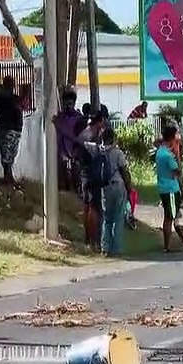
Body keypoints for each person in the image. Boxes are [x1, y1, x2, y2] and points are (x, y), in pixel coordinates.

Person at [92, 126, 133, 256]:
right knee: (118, 218)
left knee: (107, 218)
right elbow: (124, 171)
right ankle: (116, 248)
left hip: (105, 187)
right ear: (113, 138)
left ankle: (105, 248)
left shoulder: (98, 151)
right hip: (118, 186)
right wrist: (129, 188)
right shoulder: (118, 153)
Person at [154, 124, 183, 253]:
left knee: (170, 216)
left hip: (163, 188)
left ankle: (179, 244)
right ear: (171, 137)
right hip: (171, 189)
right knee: (173, 217)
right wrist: (177, 156)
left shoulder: (160, 151)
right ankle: (179, 245)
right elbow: (177, 171)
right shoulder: (168, 155)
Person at [53, 89, 87, 192]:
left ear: (74, 103)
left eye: (70, 104)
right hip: (60, 154)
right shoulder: (60, 117)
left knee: (75, 177)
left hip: (74, 153)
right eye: (66, 104)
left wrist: (60, 127)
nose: (68, 106)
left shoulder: (79, 119)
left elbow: (79, 138)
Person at [0, 76, 24, 187]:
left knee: (7, 155)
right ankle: (8, 178)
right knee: (9, 155)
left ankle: (8, 177)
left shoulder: (2, 98)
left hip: (7, 128)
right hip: (12, 129)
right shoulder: (11, 99)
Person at [76, 123, 103, 248]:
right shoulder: (92, 141)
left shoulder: (82, 139)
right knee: (94, 208)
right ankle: (94, 241)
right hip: (93, 176)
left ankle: (87, 238)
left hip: (84, 176)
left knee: (86, 207)